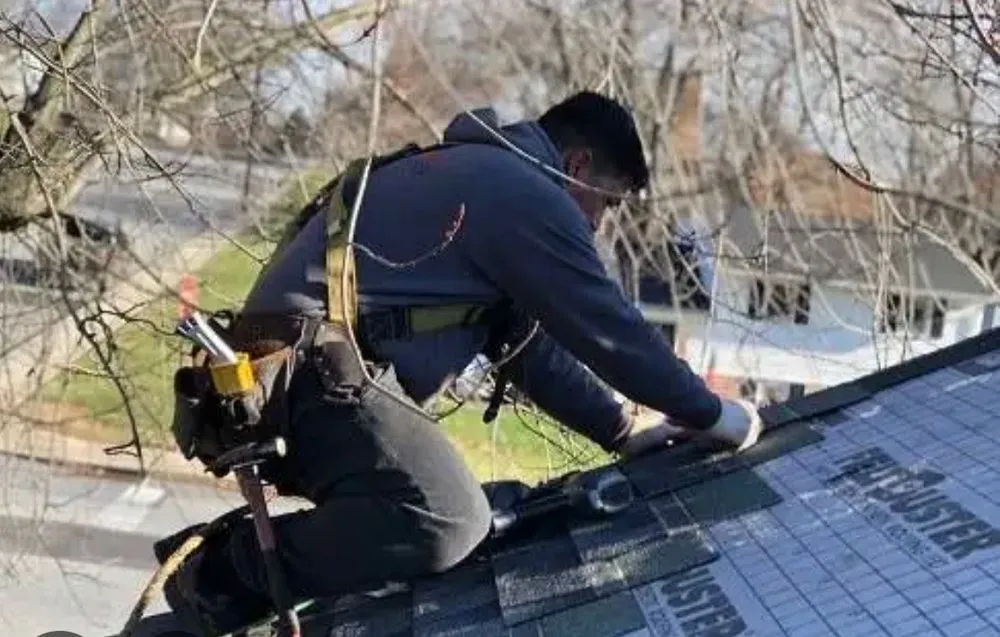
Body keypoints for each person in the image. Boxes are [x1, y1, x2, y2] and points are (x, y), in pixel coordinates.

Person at [159, 91, 762, 635]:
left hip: (313, 372)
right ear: (575, 165)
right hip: (307, 372)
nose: (599, 223)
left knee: (445, 516)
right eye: (605, 202)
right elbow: (605, 326)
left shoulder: (482, 181)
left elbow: (531, 352)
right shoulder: (518, 191)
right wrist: (712, 414)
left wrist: (622, 431)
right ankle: (226, 574)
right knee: (447, 517)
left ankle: (246, 575)